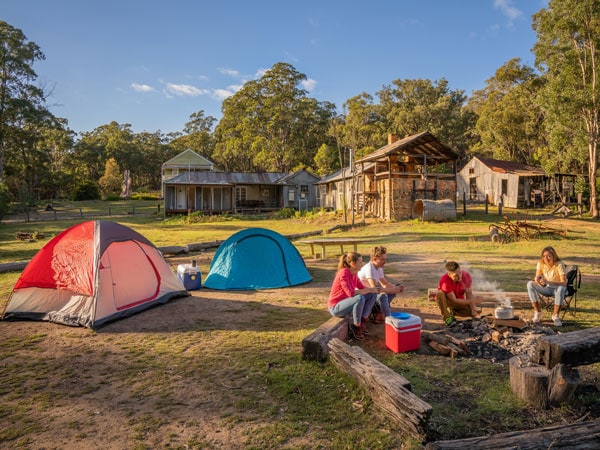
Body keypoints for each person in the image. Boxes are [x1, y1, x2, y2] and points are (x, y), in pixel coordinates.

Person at [328, 252, 378, 340]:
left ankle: (362, 320)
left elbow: (363, 288)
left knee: (372, 294)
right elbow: (351, 293)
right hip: (336, 307)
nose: (362, 264)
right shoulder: (344, 273)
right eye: (360, 262)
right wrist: (369, 289)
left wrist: (373, 290)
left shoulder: (354, 274)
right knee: (359, 298)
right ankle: (356, 326)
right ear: (352, 263)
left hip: (346, 304)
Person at [358, 246, 404, 323]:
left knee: (392, 292)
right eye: (382, 259)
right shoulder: (369, 268)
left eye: (385, 259)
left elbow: (385, 284)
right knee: (383, 296)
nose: (385, 261)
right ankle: (389, 320)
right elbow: (376, 290)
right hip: (365, 295)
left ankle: (378, 312)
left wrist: (397, 288)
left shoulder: (379, 267)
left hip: (371, 293)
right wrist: (393, 289)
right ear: (374, 259)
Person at [526, 246, 567, 327]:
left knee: (561, 288)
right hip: (546, 288)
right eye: (544, 256)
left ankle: (555, 316)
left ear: (553, 256)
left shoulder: (559, 264)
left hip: (557, 289)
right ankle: (538, 312)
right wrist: (538, 279)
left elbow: (564, 282)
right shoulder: (540, 264)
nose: (546, 258)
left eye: (549, 256)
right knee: (530, 284)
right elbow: (537, 277)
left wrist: (548, 282)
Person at [436, 261, 482, 327]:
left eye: (460, 273)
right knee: (440, 294)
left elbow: (469, 293)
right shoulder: (445, 281)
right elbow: (454, 300)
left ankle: (452, 312)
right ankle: (447, 318)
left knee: (472, 313)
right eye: (456, 276)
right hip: (448, 301)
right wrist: (473, 300)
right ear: (449, 274)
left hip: (460, 301)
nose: (460, 276)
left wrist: (473, 309)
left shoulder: (466, 275)